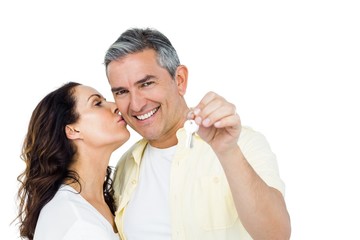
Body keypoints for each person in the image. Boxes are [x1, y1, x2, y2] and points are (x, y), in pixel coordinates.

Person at [103, 28, 291, 240]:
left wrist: (228, 152)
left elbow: (277, 235)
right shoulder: (125, 166)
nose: (136, 104)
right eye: (122, 92)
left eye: (146, 84)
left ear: (180, 80)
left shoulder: (241, 144)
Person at [16, 82, 129, 240]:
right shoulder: (76, 220)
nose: (115, 105)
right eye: (97, 103)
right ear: (73, 130)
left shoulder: (107, 202)